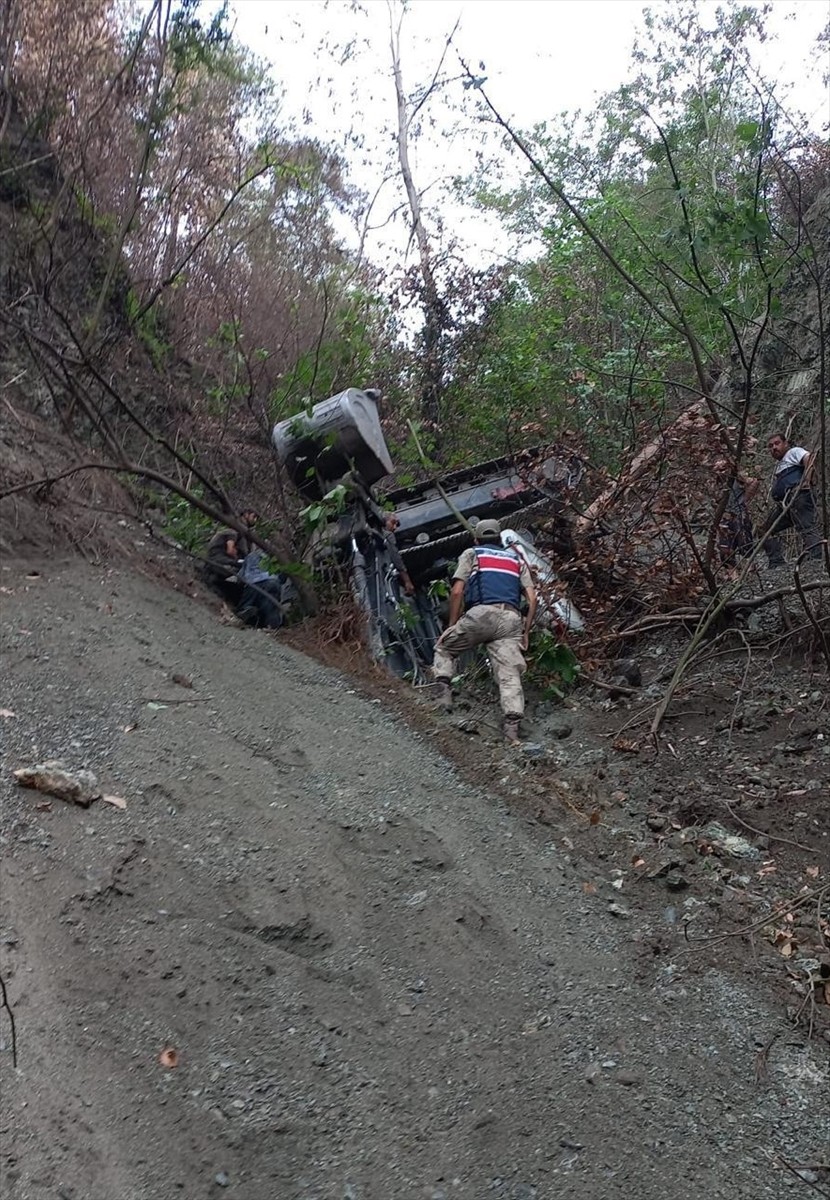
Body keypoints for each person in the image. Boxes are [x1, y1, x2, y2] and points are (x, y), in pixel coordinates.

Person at [432, 517, 537, 743]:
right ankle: (511, 728)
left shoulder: (473, 553)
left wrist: (452, 624)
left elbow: (458, 591)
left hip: (482, 613)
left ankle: (443, 696)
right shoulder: (516, 559)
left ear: (476, 538)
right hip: (511, 619)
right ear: (500, 539)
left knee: (445, 648)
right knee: (509, 673)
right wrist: (525, 630)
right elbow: (532, 597)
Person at [756, 434, 821, 566]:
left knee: (806, 526)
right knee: (765, 530)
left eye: (777, 443)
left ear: (786, 443)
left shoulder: (793, 452)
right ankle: (776, 561)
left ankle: (817, 558)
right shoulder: (781, 464)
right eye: (770, 446)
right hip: (785, 505)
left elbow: (809, 457)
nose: (774, 447)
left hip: (798, 497)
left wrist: (807, 480)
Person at [203, 509, 259, 604]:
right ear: (246, 515)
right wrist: (237, 559)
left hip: (223, 561)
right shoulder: (233, 530)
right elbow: (230, 550)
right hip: (218, 561)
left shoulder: (240, 533)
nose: (255, 520)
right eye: (254, 516)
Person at [236, 549, 285, 629]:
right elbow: (283, 578)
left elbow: (241, 577)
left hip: (254, 582)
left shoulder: (251, 555)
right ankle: (272, 625)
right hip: (273, 582)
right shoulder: (278, 557)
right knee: (270, 605)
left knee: (248, 601)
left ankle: (246, 609)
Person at [382, 513, 415, 595]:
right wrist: (407, 581)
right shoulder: (388, 535)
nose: (394, 528)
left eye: (396, 525)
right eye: (393, 523)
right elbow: (396, 557)